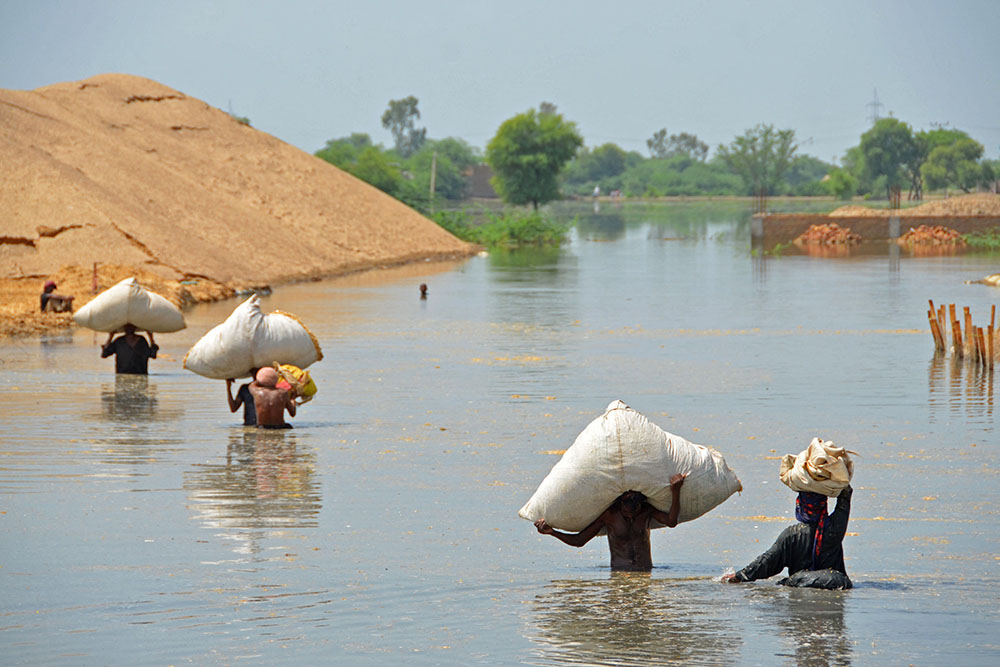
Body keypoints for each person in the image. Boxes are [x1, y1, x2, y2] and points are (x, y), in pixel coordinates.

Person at [534, 473, 686, 571]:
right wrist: (552, 532)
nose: (630, 516)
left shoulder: (646, 511)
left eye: (634, 512)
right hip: (619, 574)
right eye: (626, 512)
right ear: (619, 504)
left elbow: (671, 522)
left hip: (645, 572)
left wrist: (676, 491)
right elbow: (580, 540)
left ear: (641, 504)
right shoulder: (610, 515)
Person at [722, 485, 853, 588]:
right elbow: (845, 497)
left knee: (791, 582)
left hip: (802, 583)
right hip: (835, 582)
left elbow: (768, 561)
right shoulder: (835, 527)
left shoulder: (792, 535)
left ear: (800, 506)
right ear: (823, 504)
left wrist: (740, 576)